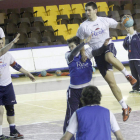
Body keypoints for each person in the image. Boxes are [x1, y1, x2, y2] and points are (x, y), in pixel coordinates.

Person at [76, 1, 136, 122]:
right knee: (112, 84)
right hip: (97, 53)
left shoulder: (104, 20)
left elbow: (119, 26)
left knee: (108, 57)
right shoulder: (83, 26)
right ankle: (125, 107)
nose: (87, 12)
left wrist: (125, 22)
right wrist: (83, 52)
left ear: (95, 10)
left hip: (108, 46)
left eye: (89, 10)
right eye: (86, 10)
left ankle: (128, 75)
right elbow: (80, 40)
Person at [0, 37, 36, 140]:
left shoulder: (8, 56)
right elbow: (2, 51)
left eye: (2, 43)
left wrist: (28, 73)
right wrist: (12, 42)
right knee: (0, 111)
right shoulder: (1, 53)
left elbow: (16, 66)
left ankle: (13, 131)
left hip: (8, 86)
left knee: (10, 109)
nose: (1, 45)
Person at [63, 34, 93, 140]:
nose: (71, 48)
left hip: (86, 89)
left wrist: (104, 45)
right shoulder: (68, 55)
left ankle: (85, 135)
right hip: (74, 91)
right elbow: (74, 52)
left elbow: (96, 50)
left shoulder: (86, 54)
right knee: (71, 115)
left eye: (72, 46)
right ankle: (69, 137)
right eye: (70, 47)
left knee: (85, 114)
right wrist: (83, 43)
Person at [123, 15, 140, 93]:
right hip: (131, 59)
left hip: (138, 58)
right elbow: (125, 46)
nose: (127, 28)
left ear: (132, 26)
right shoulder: (126, 38)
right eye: (126, 27)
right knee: (134, 75)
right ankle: (136, 88)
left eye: (129, 27)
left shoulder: (138, 35)